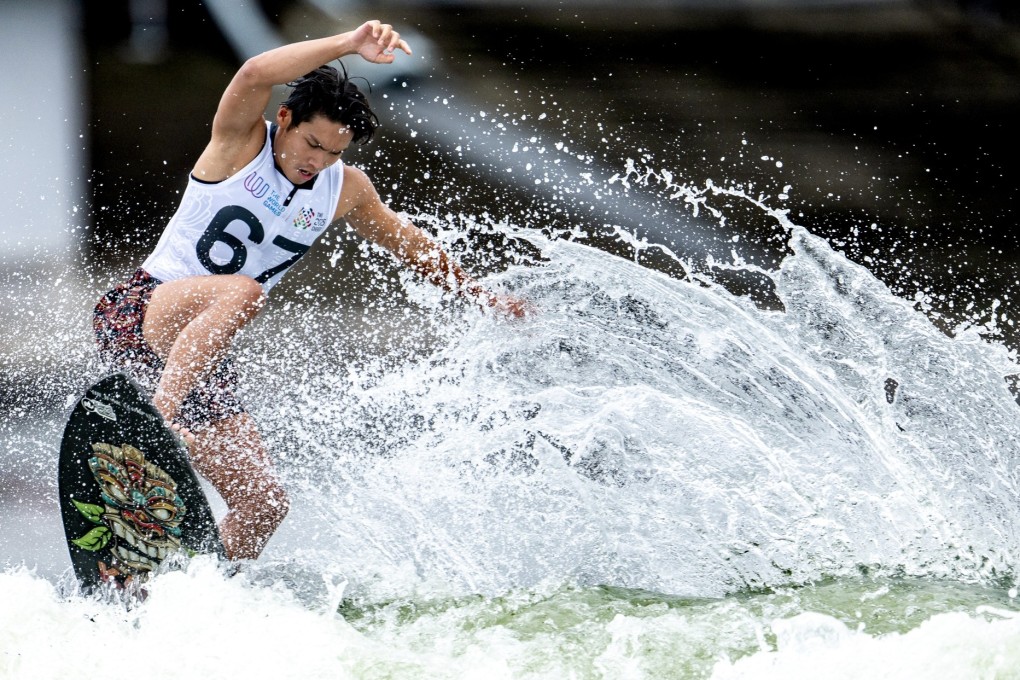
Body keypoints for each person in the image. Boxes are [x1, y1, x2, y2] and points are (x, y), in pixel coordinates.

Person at [93, 20, 528, 563]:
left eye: (333, 152)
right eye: (311, 143)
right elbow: (254, 71)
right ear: (284, 119)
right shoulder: (240, 143)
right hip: (143, 310)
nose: (316, 161)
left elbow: (409, 243)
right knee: (245, 293)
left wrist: (481, 296)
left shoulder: (345, 188)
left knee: (264, 504)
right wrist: (349, 44)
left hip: (199, 356)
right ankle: (159, 418)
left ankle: (196, 587)